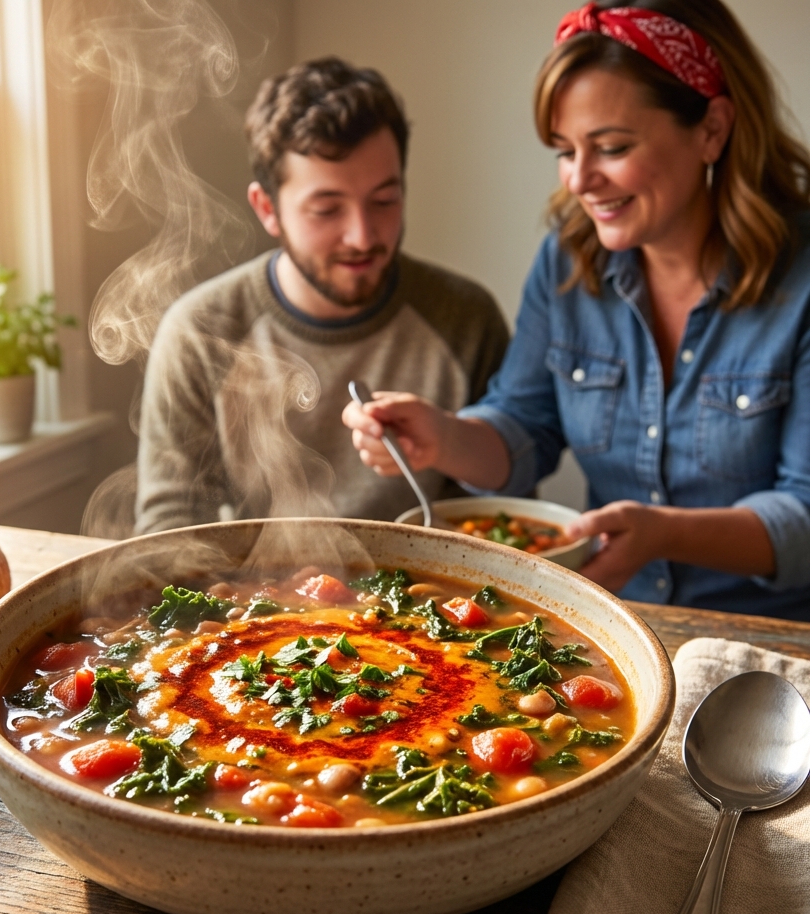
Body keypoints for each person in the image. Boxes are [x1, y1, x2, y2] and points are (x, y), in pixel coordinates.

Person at [344, 0, 810, 620]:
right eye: (565, 150)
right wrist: (444, 438)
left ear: (712, 129)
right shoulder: (568, 258)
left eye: (611, 147)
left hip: (773, 638)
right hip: (610, 624)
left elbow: (804, 518)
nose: (578, 180)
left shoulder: (800, 278)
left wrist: (664, 532)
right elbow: (525, 425)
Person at [134, 58, 508, 534]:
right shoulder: (200, 331)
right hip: (256, 599)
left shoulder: (466, 318)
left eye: (384, 201)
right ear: (268, 209)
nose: (361, 235)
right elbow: (170, 529)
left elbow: (502, 518)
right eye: (327, 209)